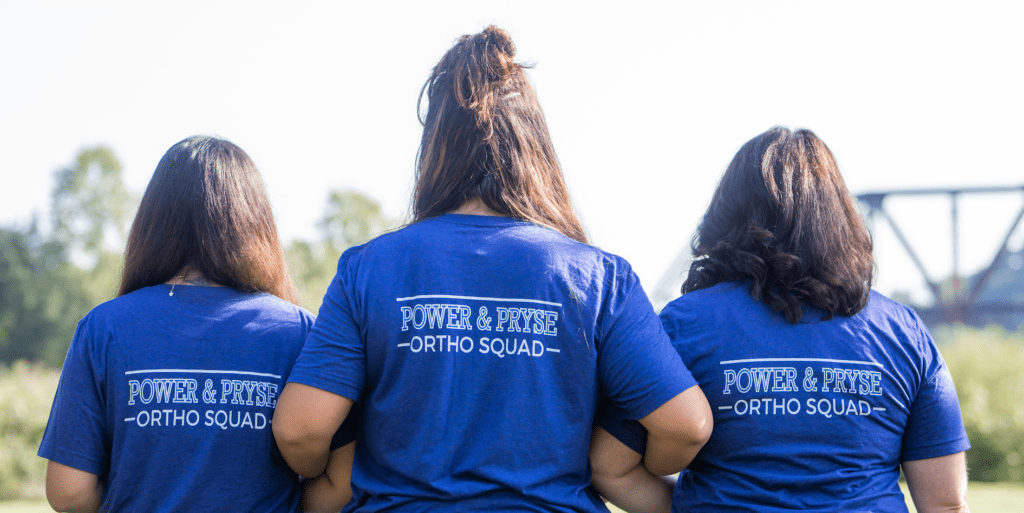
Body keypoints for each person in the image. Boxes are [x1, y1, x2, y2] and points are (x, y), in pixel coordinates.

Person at [273, 25, 712, 512]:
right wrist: (614, 465)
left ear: (435, 147)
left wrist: (327, 479)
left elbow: (301, 429)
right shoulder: (598, 278)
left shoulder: (369, 269)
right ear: (534, 146)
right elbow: (684, 425)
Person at [592, 127, 971, 512]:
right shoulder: (904, 333)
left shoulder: (683, 325)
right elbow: (946, 504)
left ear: (726, 214)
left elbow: (611, 469)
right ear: (840, 219)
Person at [38, 136, 316, 512]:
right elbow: (338, 479)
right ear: (256, 223)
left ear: (153, 222)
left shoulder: (103, 329)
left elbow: (69, 492)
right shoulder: (302, 332)